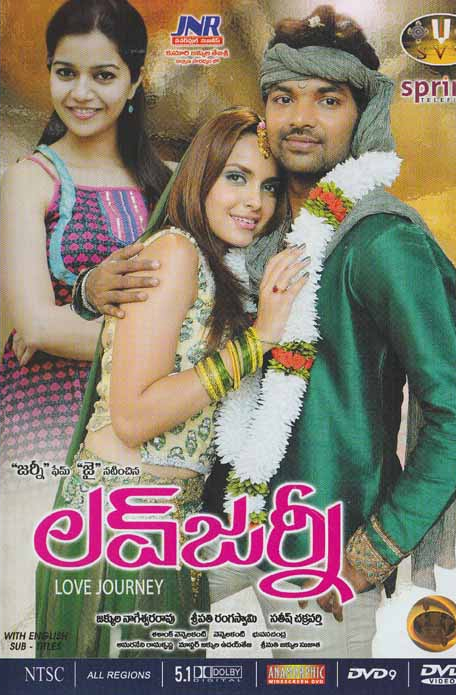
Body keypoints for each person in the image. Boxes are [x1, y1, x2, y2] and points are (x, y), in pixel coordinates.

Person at [200, 5, 456, 658]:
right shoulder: (247, 221)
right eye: (283, 97)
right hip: (222, 529)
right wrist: (92, 289)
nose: (300, 117)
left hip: (321, 555)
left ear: (363, 114)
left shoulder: (382, 241)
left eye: (327, 99)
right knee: (113, 645)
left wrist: (373, 551)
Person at [35, 106, 309, 658]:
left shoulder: (216, 265)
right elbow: (134, 417)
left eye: (269, 186)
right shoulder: (176, 252)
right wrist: (259, 339)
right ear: (200, 175)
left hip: (166, 530)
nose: (254, 202)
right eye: (236, 177)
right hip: (116, 530)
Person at [0, 0, 170, 468]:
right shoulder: (29, 179)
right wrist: (166, 348)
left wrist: (68, 329)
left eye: (103, 75)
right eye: (65, 72)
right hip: (45, 412)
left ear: (134, 81)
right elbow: (36, 326)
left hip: (143, 416)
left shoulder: (165, 185)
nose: (80, 92)